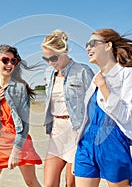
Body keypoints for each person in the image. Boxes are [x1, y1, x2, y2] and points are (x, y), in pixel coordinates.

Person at [74, 29, 132, 187]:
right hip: (86, 142)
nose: (87, 48)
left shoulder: (127, 74)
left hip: (112, 140)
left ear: (108, 45)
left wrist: (103, 86)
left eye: (92, 44)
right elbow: (89, 113)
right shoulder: (95, 77)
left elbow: (125, 115)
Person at [0, 44, 42, 187]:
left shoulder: (20, 88)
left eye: (13, 61)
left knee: (31, 182)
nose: (9, 64)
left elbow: (25, 124)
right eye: (5, 60)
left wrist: (16, 151)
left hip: (19, 141)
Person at [41, 29, 94, 187]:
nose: (51, 62)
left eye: (54, 57)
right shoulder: (48, 73)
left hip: (76, 132)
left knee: (70, 184)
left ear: (64, 51)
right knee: (49, 184)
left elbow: (94, 104)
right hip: (56, 131)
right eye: (47, 59)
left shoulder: (83, 71)